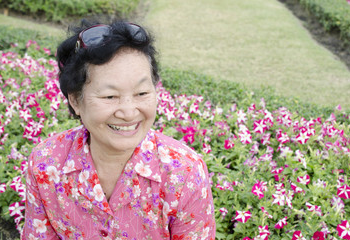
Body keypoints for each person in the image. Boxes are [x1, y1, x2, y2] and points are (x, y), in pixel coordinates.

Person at [22, 20, 216, 240]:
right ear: (75, 100)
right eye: (109, 96)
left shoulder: (184, 173)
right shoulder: (46, 163)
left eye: (142, 93)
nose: (128, 112)